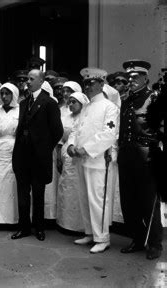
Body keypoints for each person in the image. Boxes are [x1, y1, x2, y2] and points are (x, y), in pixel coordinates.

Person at [67, 67, 119, 253]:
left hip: (98, 161)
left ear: (101, 83)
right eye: (86, 83)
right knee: (84, 198)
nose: (87, 86)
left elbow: (109, 134)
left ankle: (102, 237)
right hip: (81, 160)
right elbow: (76, 129)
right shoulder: (87, 107)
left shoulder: (109, 107)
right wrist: (71, 145)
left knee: (98, 200)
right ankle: (90, 233)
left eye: (91, 82)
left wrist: (86, 149)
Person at [118, 60, 163, 260]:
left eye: (135, 77)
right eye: (129, 77)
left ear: (146, 78)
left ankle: (154, 243)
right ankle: (137, 238)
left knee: (148, 201)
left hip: (147, 156)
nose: (131, 80)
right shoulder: (126, 99)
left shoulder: (154, 99)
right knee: (129, 201)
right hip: (127, 154)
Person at [11, 69, 63, 241]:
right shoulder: (24, 103)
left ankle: (39, 228)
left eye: (32, 79)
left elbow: (57, 131)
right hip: (22, 156)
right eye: (27, 79)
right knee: (23, 194)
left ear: (41, 81)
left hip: (39, 158)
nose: (28, 81)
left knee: (39, 195)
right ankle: (24, 227)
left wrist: (44, 148)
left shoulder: (49, 103)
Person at [56, 91, 88, 232]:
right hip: (66, 154)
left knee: (79, 189)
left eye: (74, 102)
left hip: (79, 155)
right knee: (66, 188)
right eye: (69, 102)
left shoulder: (86, 118)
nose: (71, 104)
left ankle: (80, 226)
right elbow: (60, 137)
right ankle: (65, 223)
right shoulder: (65, 118)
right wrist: (59, 154)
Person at [0, 83, 19, 225]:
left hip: (14, 147)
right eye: (3, 94)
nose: (5, 96)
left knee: (12, 182)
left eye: (8, 93)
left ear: (14, 94)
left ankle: (13, 218)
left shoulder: (20, 110)